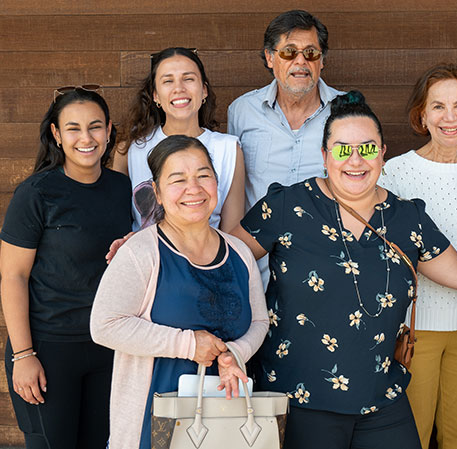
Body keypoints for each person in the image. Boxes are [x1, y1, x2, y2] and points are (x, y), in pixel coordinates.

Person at [232, 91, 457, 449]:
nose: (355, 160)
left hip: (381, 396)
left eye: (367, 148)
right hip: (301, 397)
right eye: (342, 149)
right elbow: (229, 262)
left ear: (382, 153)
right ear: (324, 156)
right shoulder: (287, 206)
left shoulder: (406, 216)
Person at [90, 135, 268, 449]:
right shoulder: (141, 252)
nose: (194, 188)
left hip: (221, 425)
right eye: (178, 179)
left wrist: (233, 354)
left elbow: (259, 322)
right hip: (151, 426)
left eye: (203, 175)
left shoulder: (239, 253)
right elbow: (104, 325)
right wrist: (188, 344)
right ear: (156, 192)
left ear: (217, 182)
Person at [379, 63, 457, 449]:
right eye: (438, 106)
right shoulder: (395, 171)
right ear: (422, 115)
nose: (449, 117)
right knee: (411, 435)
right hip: (416, 327)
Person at [1, 87, 131, 448]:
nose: (86, 138)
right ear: (57, 135)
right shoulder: (37, 193)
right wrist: (24, 355)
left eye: (95, 127)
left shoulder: (123, 189)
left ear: (108, 130)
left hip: (107, 346)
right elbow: (13, 276)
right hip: (48, 348)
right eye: (73, 128)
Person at [228, 10, 343, 287]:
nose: (300, 61)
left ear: (322, 61)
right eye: (289, 52)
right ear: (270, 58)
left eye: (311, 53)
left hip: (328, 271)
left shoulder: (347, 111)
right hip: (257, 272)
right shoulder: (242, 111)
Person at [114, 47, 245, 233]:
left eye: (188, 79)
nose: (179, 89)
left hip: (207, 260)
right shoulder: (130, 149)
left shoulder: (229, 149)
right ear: (155, 96)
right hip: (147, 259)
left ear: (204, 90)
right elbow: (117, 225)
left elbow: (232, 232)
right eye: (168, 81)